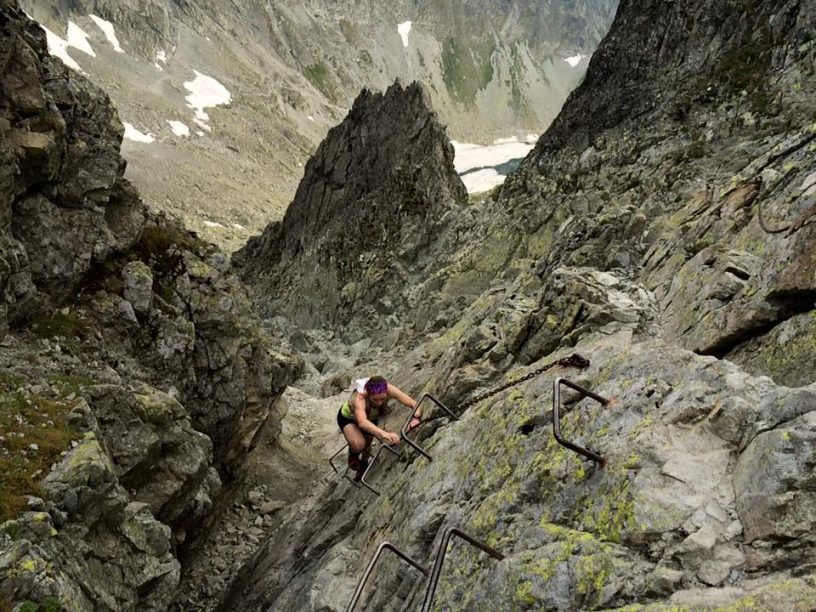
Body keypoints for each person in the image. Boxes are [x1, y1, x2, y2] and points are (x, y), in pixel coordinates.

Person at [336, 376, 422, 478]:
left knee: (366, 447)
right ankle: (353, 455)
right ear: (368, 394)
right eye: (375, 400)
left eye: (382, 399)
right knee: (359, 444)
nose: (379, 403)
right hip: (348, 419)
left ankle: (363, 463)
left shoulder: (390, 389)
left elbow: (414, 403)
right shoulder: (360, 398)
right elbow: (362, 422)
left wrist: (416, 418)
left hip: (371, 417)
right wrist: (383, 434)